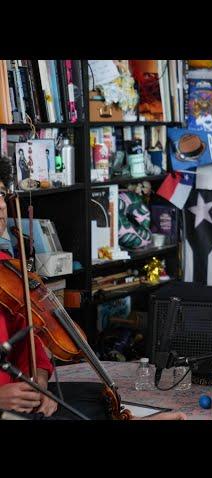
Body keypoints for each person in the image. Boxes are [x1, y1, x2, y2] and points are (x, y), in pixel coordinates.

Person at [0, 156, 185, 420]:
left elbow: (29, 339)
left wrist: (38, 382)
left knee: (99, 399)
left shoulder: (7, 268)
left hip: (17, 393)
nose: (0, 206)